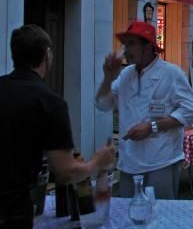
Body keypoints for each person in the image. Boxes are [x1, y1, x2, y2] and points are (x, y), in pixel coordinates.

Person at [1, 25, 115, 228]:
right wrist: (97, 161)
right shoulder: (50, 103)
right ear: (47, 55)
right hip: (12, 208)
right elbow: (66, 171)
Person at [96, 22, 193, 198]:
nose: (126, 50)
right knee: (130, 218)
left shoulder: (171, 73)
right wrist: (107, 77)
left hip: (161, 161)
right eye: (125, 44)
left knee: (161, 219)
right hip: (129, 162)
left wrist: (152, 126)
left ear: (149, 47)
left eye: (131, 44)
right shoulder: (125, 74)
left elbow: (192, 110)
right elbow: (102, 105)